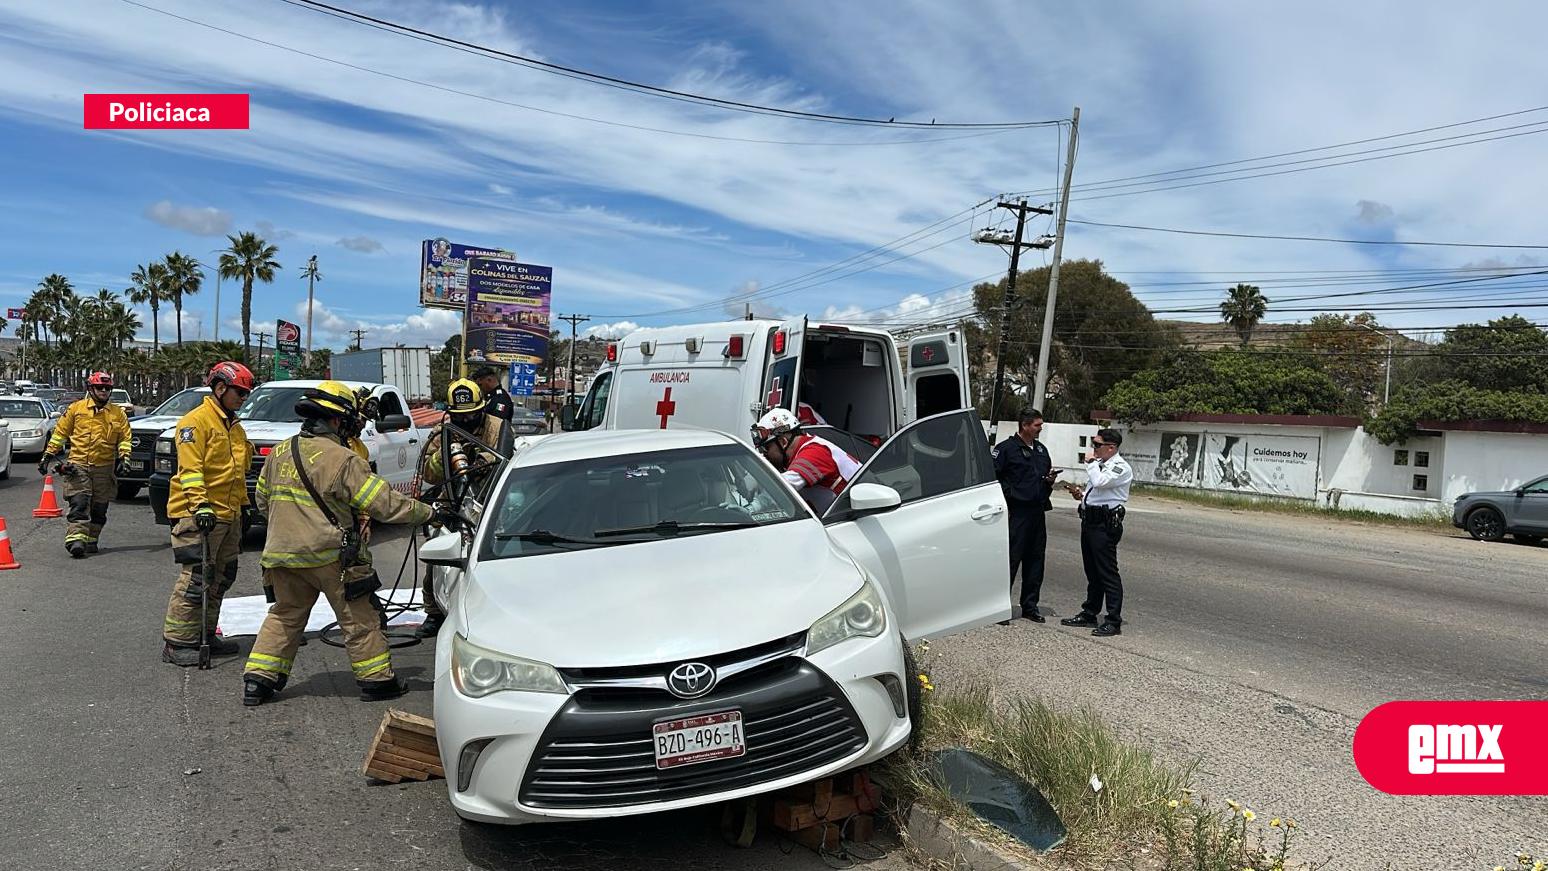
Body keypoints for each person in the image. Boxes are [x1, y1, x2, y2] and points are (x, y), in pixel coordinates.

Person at [242, 382, 437, 706]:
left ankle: (257, 682)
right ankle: (378, 681)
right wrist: (426, 513)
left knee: (285, 615)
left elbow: (262, 500)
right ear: (336, 421)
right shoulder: (343, 459)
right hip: (330, 557)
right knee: (360, 617)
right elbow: (383, 504)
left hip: (280, 554)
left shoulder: (280, 452)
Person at [160, 361, 254, 667]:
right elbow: (190, 470)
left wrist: (243, 506)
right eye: (239, 391)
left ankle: (205, 633)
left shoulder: (234, 426)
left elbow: (236, 473)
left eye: (246, 393)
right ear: (220, 387)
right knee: (196, 578)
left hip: (228, 514)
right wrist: (200, 505)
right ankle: (177, 642)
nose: (243, 397)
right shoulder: (195, 422)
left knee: (222, 576)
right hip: (198, 513)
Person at [414, 379, 509, 639]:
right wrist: (446, 454)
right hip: (453, 498)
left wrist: (484, 459)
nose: (466, 421)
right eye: (460, 417)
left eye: (472, 416)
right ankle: (433, 611)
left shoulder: (497, 427)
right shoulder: (441, 432)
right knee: (439, 554)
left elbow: (507, 456)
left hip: (491, 495)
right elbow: (429, 475)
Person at [41, 371, 131, 558]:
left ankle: (91, 540)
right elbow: (60, 433)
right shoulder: (76, 409)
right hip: (79, 464)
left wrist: (124, 458)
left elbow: (124, 439)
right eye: (100, 388)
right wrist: (48, 455)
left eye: (107, 388)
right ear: (90, 389)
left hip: (104, 468)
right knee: (79, 502)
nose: (104, 391)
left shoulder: (118, 414)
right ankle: (76, 540)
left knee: (99, 509)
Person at [1060, 428, 1133, 637]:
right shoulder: (1101, 466)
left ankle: (1113, 620)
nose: (1094, 449)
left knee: (1107, 573)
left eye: (1097, 445)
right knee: (1092, 572)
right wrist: (1081, 496)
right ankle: (1090, 612)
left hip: (1105, 524)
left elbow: (1102, 482)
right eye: (1094, 444)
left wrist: (1091, 463)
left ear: (1111, 447)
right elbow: (1099, 493)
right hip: (1090, 521)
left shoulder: (1120, 467)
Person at [993, 411, 1057, 622]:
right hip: (1016, 513)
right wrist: (1009, 497)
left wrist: (1048, 481)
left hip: (1037, 513)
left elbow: (1041, 475)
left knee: (1035, 560)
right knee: (1011, 560)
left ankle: (1030, 606)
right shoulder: (1005, 449)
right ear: (1025, 425)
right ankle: (1000, 608)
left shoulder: (1040, 450)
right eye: (1038, 425)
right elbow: (994, 478)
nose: (1041, 428)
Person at [751, 407, 861, 515]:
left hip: (859, 522)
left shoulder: (814, 451)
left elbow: (784, 487)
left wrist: (752, 507)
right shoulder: (797, 454)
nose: (763, 454)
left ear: (783, 442)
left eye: (766, 448)